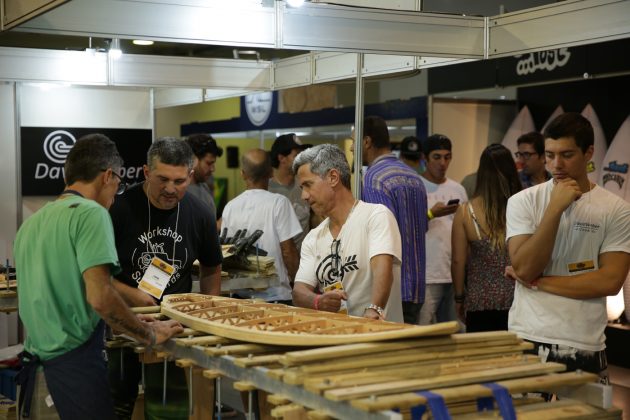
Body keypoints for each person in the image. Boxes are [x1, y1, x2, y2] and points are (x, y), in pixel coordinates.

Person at [14, 134, 183, 420]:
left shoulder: (31, 224)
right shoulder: (90, 213)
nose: (116, 194)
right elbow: (100, 297)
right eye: (117, 183)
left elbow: (71, 294)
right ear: (108, 176)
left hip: (38, 376)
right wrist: (149, 334)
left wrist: (132, 320)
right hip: (73, 375)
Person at [506, 112, 630, 381]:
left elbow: (610, 281)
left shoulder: (616, 209)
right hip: (528, 337)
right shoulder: (522, 202)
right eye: (549, 155)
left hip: (586, 341)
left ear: (589, 153)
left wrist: (540, 283)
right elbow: (526, 268)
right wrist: (555, 208)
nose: (556, 164)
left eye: (567, 154)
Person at [108, 137, 223, 419]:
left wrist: (207, 313)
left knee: (168, 410)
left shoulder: (200, 214)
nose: (171, 189)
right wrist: (133, 295)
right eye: (163, 180)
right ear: (147, 173)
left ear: (190, 175)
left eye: (180, 181)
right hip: (121, 323)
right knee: (116, 405)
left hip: (171, 328)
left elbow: (211, 266)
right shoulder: (117, 210)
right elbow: (97, 277)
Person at [292, 144, 404, 322]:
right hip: (337, 339)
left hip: (380, 338)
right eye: (302, 188)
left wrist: (374, 308)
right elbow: (299, 291)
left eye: (308, 185)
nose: (304, 196)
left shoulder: (376, 216)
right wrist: (317, 301)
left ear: (333, 177)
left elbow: (383, 268)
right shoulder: (313, 238)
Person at [359, 117, 428, 324]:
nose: (352, 148)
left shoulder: (374, 178)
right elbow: (423, 227)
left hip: (392, 287)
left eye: (355, 141)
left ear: (367, 142)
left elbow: (381, 238)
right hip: (417, 284)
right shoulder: (415, 177)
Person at [451, 144, 521, 332]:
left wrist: (459, 298)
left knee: (481, 359)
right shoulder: (523, 207)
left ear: (481, 173)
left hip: (478, 302)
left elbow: (458, 261)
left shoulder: (466, 212)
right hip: (518, 300)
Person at [221, 148, 302, 304]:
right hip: (276, 296)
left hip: (240, 297)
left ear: (243, 174)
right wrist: (298, 283)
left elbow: (227, 251)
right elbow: (288, 251)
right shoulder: (279, 203)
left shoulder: (230, 207)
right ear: (271, 172)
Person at [419, 134, 468, 326]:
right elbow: (406, 229)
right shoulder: (417, 186)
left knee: (456, 331)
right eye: (437, 157)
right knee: (422, 331)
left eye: (447, 157)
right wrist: (431, 214)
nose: (443, 163)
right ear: (425, 158)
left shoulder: (458, 189)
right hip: (428, 275)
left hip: (454, 273)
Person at [269, 133, 311, 250]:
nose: (301, 159)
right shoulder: (266, 190)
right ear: (281, 158)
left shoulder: (306, 185)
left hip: (304, 261)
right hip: (276, 263)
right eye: (297, 155)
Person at [184, 132, 223, 217]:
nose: (213, 169)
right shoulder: (180, 192)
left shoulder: (204, 187)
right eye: (209, 163)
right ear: (193, 160)